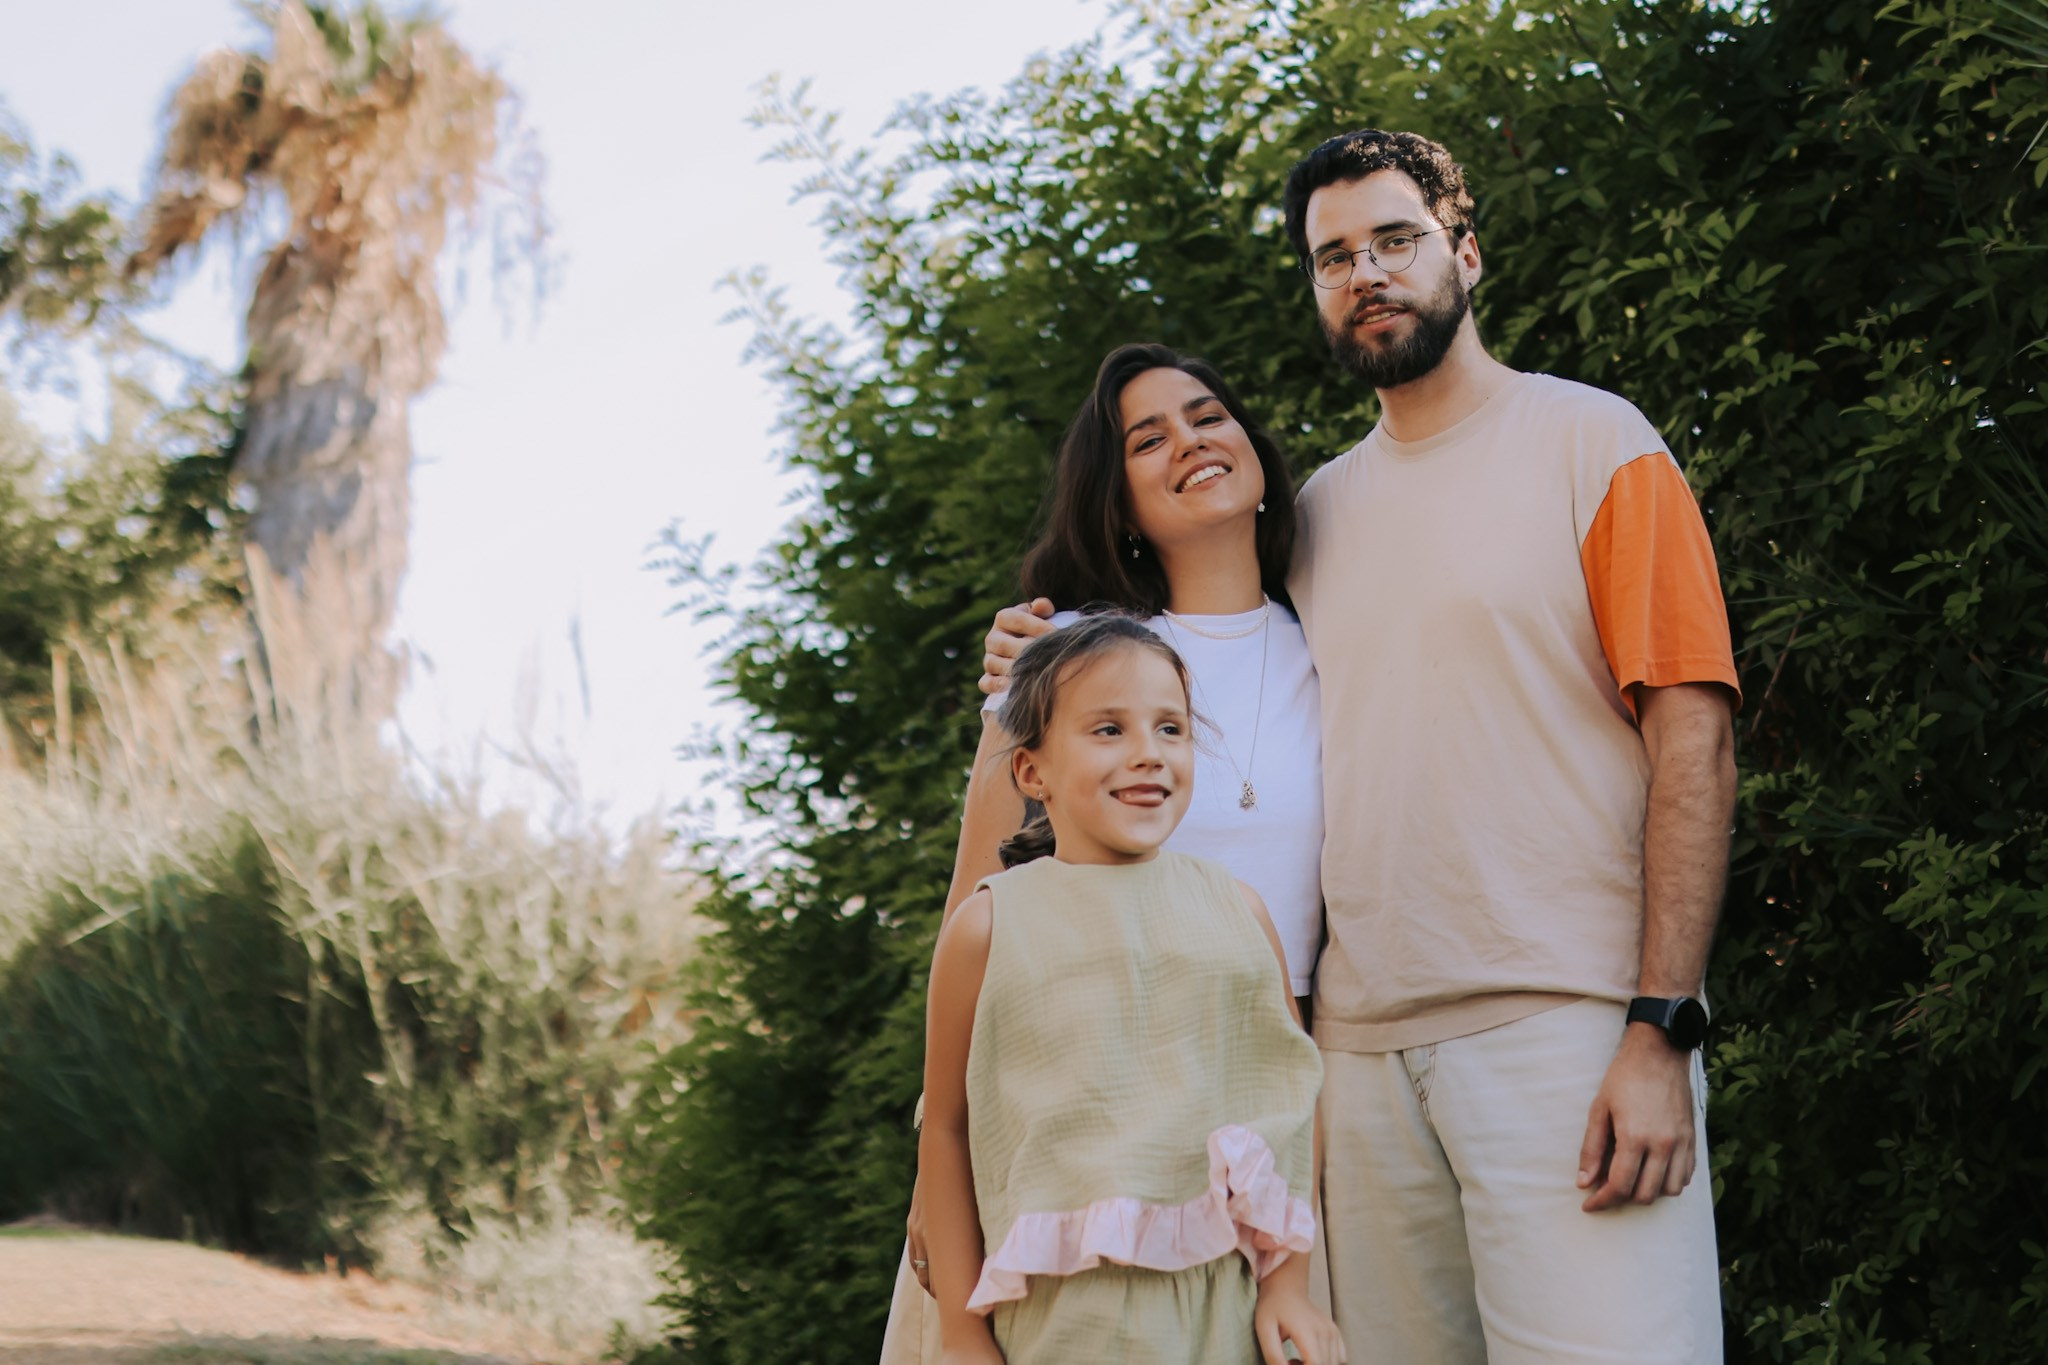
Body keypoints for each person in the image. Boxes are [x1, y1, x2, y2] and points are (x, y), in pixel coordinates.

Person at [983, 129, 1741, 1362]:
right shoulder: (1319, 516)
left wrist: (1661, 1025)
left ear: (1465, 252)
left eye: (1394, 239)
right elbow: (1194, 652)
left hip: (1564, 1028)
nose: (1365, 273)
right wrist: (1029, 656)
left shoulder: (1596, 446)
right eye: (1332, 256)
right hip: (1352, 1064)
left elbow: (1692, 735)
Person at [879, 342, 1326, 1361]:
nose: (1190, 443)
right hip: (1062, 1135)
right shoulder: (1068, 660)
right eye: (1147, 438)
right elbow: (977, 911)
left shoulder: (1333, 639)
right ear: (1114, 498)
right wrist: (933, 1177)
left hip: (1243, 1114)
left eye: (1207, 416)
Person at [917, 612, 1341, 1365]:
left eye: (1171, 728)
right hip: (1061, 1323)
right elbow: (947, 1128)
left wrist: (1289, 1287)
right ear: (1031, 771)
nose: (1149, 753)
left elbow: (1286, 1111)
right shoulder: (988, 927)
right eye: (1108, 729)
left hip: (1224, 1309)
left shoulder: (1239, 912)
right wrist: (960, 1332)